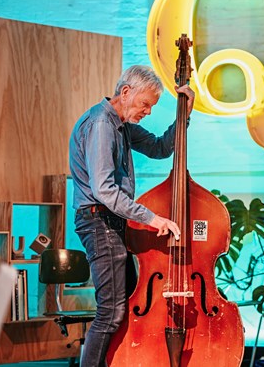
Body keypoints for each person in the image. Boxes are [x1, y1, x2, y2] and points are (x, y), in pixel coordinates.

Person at [68, 65, 194, 366]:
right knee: (110, 313)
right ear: (126, 92)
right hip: (99, 221)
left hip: (111, 222)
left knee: (125, 306)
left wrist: (185, 113)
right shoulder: (102, 125)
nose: (148, 112)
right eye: (145, 104)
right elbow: (104, 190)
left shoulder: (121, 124)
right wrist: (152, 218)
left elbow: (161, 148)